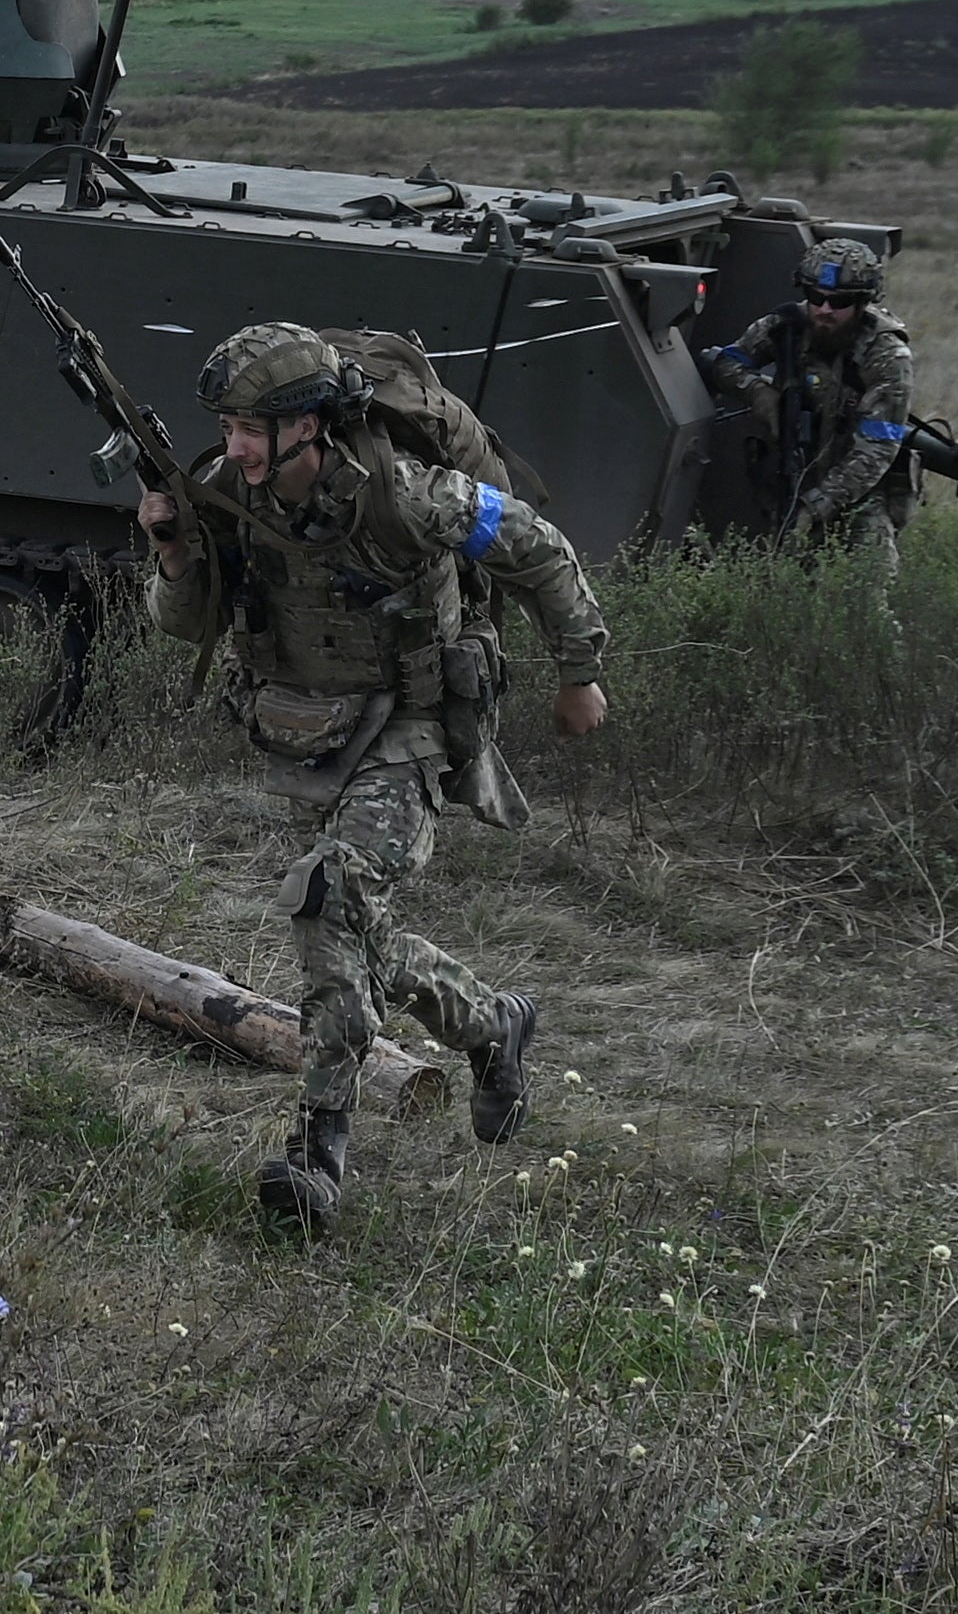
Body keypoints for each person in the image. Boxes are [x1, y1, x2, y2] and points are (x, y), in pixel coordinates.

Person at [139, 323, 613, 1240]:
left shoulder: (410, 495)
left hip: (413, 724)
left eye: (250, 427)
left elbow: (540, 549)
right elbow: (181, 621)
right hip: (313, 731)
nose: (233, 446)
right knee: (358, 926)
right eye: (228, 425)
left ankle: (320, 1152)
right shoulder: (228, 493)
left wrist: (579, 670)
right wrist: (171, 551)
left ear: (308, 426)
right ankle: (490, 1024)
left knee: (325, 902)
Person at [699, 238, 918, 572]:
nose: (825, 310)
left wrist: (819, 505)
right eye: (816, 298)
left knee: (867, 590)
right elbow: (725, 362)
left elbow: (878, 447)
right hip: (795, 478)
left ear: (862, 303)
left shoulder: (887, 355)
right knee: (784, 581)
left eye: (839, 302)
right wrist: (759, 392)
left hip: (861, 490)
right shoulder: (786, 326)